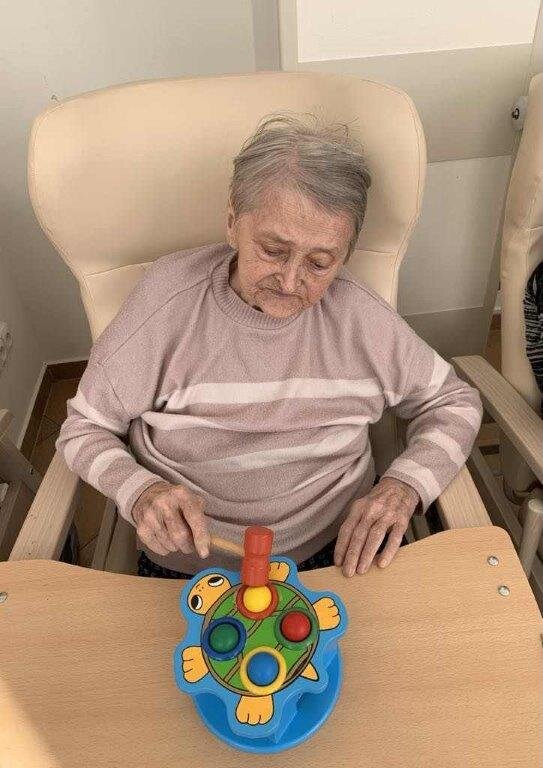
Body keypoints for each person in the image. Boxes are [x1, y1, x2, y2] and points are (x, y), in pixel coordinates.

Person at [55, 112, 483, 579]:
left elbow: (454, 402)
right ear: (232, 223)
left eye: (320, 262)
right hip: (195, 562)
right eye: (274, 251)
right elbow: (84, 428)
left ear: (345, 254)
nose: (291, 281)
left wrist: (403, 486)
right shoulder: (167, 301)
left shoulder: (360, 317)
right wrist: (140, 491)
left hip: (338, 551)